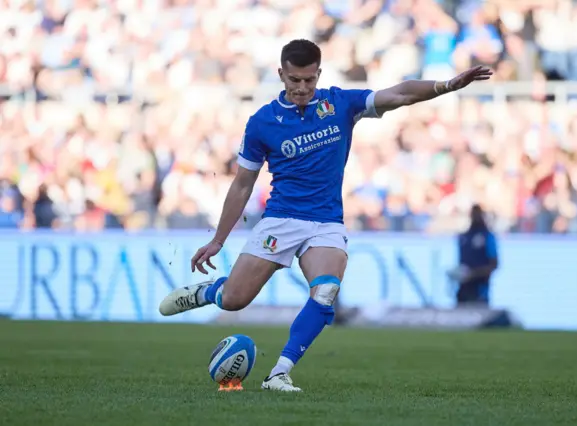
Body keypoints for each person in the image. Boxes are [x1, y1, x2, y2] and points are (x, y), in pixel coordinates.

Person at [159, 39, 492, 392]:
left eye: (308, 80)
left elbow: (399, 94)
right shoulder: (262, 123)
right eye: (294, 80)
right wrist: (217, 240)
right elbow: (242, 185)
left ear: (318, 74)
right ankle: (211, 293)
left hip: (326, 222)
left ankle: (280, 373)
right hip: (281, 219)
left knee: (326, 291)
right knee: (235, 300)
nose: (302, 88)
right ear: (281, 75)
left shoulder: (340, 104)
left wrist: (447, 85)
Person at [450, 204, 499, 306]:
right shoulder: (464, 237)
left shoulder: (487, 237)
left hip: (480, 288)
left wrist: (473, 274)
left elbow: (494, 264)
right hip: (463, 289)